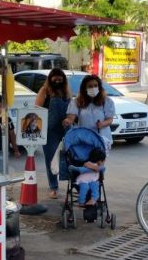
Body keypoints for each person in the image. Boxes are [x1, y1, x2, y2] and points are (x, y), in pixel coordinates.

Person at [35, 68, 72, 199]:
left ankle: (72, 184)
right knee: (50, 159)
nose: (57, 80)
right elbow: (37, 110)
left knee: (68, 158)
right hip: (49, 131)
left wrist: (69, 120)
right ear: (50, 79)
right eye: (54, 78)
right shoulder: (44, 91)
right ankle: (53, 187)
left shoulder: (66, 93)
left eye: (60, 78)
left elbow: (72, 110)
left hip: (66, 129)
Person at [62, 74, 115, 152]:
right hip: (84, 139)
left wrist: (102, 124)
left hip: (101, 139)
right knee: (86, 163)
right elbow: (71, 118)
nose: (93, 88)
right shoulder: (76, 101)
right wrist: (67, 121)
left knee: (99, 163)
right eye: (90, 86)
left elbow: (110, 119)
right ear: (85, 89)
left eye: (95, 85)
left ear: (99, 87)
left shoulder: (107, 101)